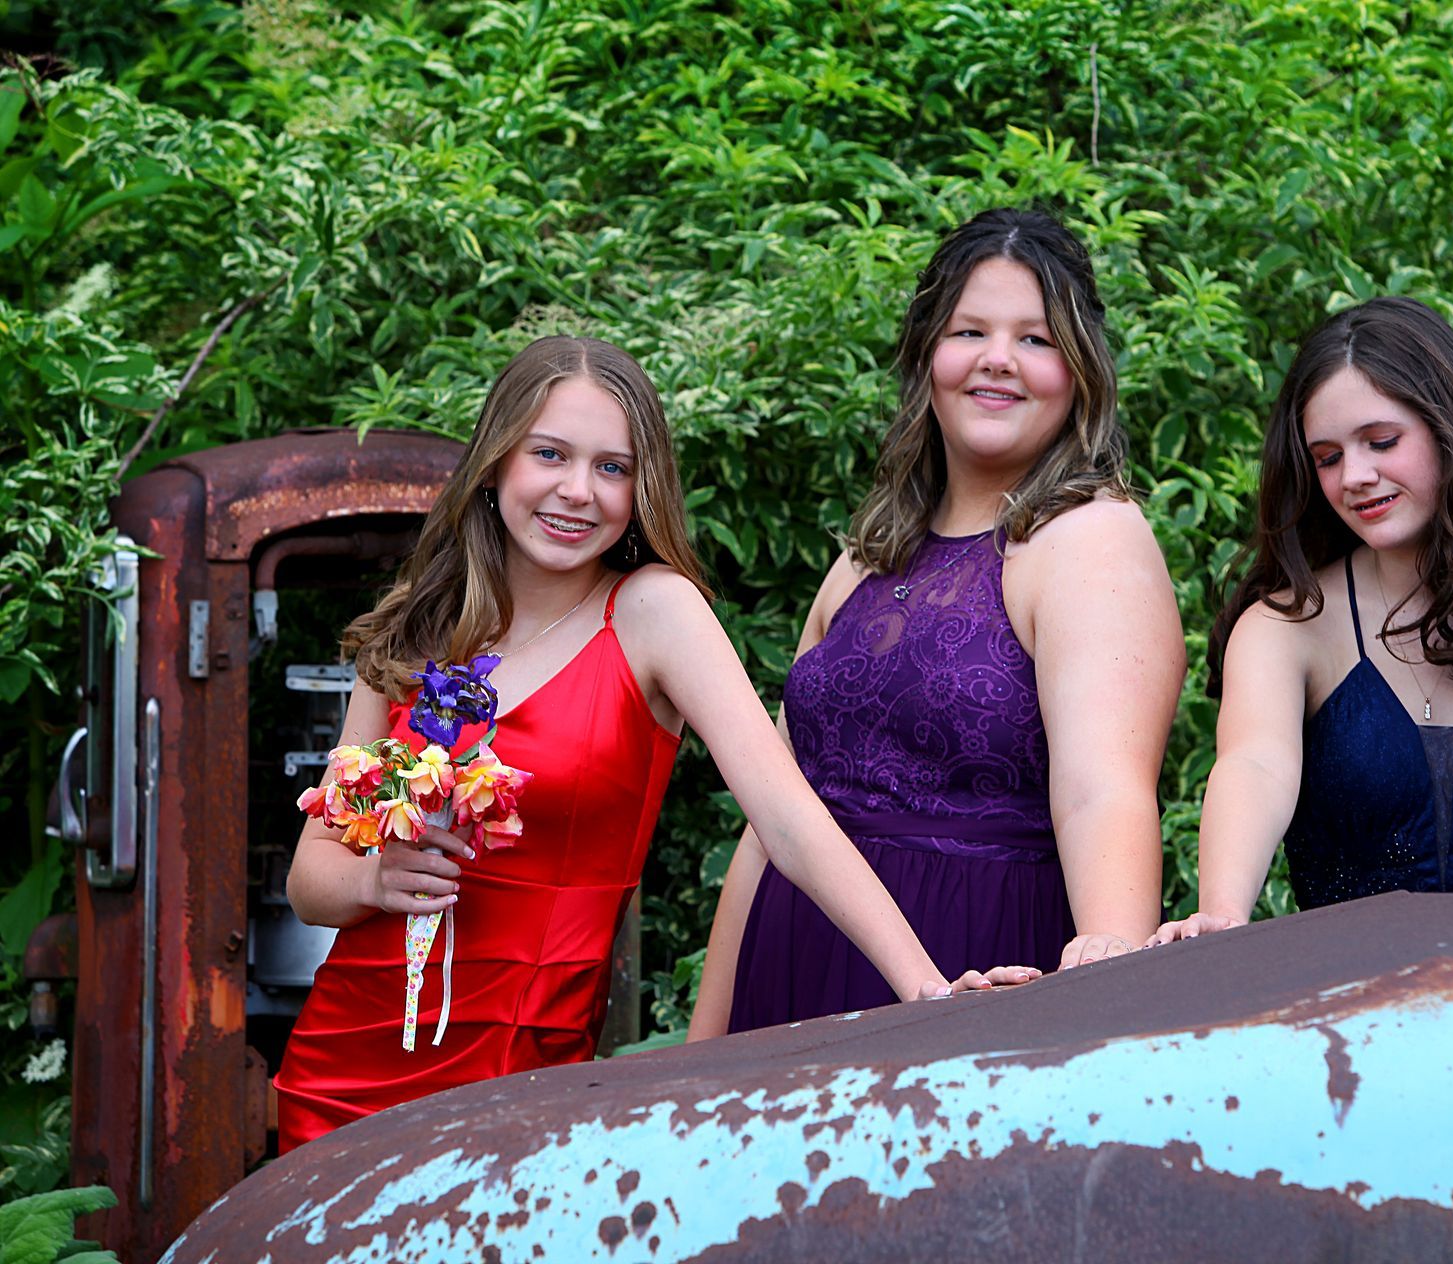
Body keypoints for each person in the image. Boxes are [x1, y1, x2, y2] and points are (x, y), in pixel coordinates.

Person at [274, 337, 1025, 1151]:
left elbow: (789, 820)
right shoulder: (413, 629)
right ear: (495, 465)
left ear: (642, 489)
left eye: (611, 468)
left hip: (525, 1091)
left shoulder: (652, 614)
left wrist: (929, 989)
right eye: (550, 455)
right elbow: (313, 880)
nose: (576, 491)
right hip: (342, 1074)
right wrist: (378, 876)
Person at [688, 207, 1184, 1038]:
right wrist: (704, 1044)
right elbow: (775, 818)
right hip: (786, 981)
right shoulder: (866, 560)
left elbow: (1105, 793)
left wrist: (1109, 987)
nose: (998, 359)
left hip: (973, 986)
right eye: (970, 331)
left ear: (1081, 371)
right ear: (928, 356)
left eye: (1036, 338)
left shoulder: (1090, 538)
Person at [1150, 296, 1453, 941]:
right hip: (1341, 1010)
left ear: (1451, 430)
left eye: (1381, 442)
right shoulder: (1287, 626)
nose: (1354, 476)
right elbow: (1254, 765)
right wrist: (1220, 911)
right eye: (1327, 457)